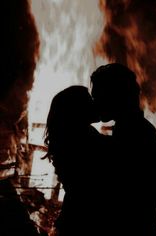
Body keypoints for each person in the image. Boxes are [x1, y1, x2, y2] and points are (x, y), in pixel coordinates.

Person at [91, 63, 156, 236]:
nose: (95, 100)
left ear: (114, 95)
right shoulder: (135, 130)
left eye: (98, 95)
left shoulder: (135, 134)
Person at [44, 85, 107, 235]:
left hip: (73, 217)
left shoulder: (72, 135)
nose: (95, 102)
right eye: (89, 99)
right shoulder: (83, 138)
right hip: (83, 222)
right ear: (77, 109)